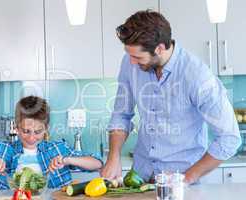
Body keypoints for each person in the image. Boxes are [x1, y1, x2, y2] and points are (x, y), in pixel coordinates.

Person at [101, 10, 241, 184]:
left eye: (137, 57)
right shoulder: (130, 63)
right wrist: (114, 157)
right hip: (140, 177)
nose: (131, 62)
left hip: (181, 182)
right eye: (129, 55)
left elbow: (230, 138)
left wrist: (186, 178)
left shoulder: (197, 76)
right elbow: (121, 114)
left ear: (159, 48)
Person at [0, 96, 102, 190]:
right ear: (16, 128)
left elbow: (97, 163)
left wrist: (68, 160)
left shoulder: (57, 149)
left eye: (38, 132)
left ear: (46, 129)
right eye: (26, 131)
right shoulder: (3, 149)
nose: (32, 138)